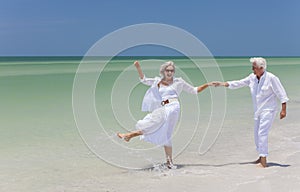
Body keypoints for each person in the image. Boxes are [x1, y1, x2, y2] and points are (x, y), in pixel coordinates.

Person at [117, 60, 213, 169]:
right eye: (167, 70)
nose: (170, 72)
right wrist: (138, 67)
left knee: (154, 126)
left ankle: (129, 135)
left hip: (173, 108)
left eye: (172, 71)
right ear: (163, 71)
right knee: (162, 133)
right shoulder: (158, 82)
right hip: (164, 107)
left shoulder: (179, 82)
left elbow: (195, 90)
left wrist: (208, 85)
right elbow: (144, 80)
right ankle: (169, 163)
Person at [213, 57, 289, 168]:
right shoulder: (252, 78)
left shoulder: (272, 78)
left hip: (268, 110)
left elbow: (282, 94)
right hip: (257, 111)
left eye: (254, 67)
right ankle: (260, 155)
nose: (252, 69)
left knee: (262, 133)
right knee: (256, 135)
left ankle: (264, 162)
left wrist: (283, 110)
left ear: (261, 68)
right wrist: (222, 84)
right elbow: (239, 83)